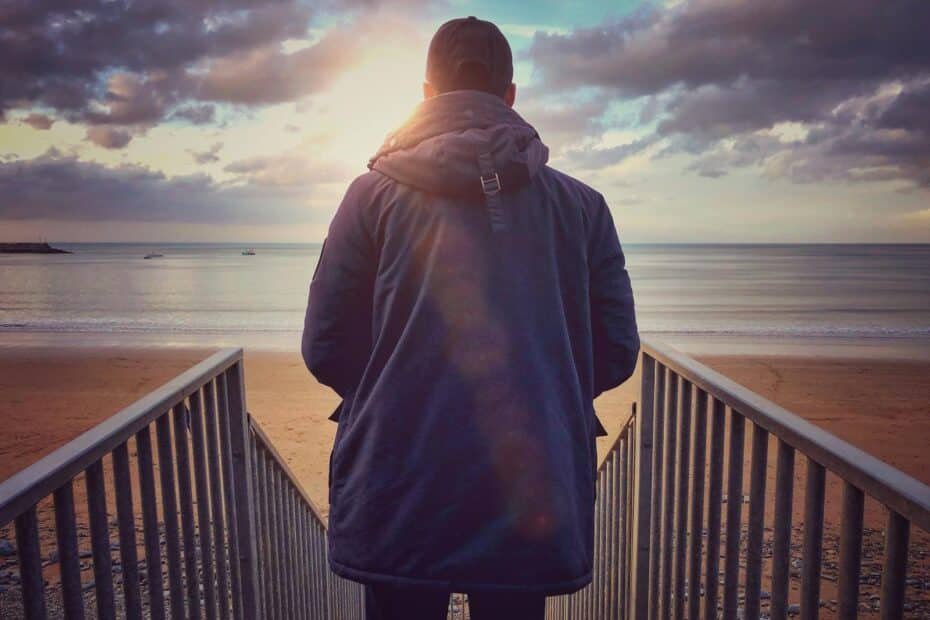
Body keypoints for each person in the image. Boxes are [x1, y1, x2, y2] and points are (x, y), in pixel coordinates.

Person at [302, 16, 639, 620]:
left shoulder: (369, 197)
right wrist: (544, 393)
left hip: (398, 473)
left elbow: (325, 344)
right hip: (531, 479)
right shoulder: (583, 206)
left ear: (426, 94)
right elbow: (615, 349)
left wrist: (386, 392)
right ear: (511, 96)